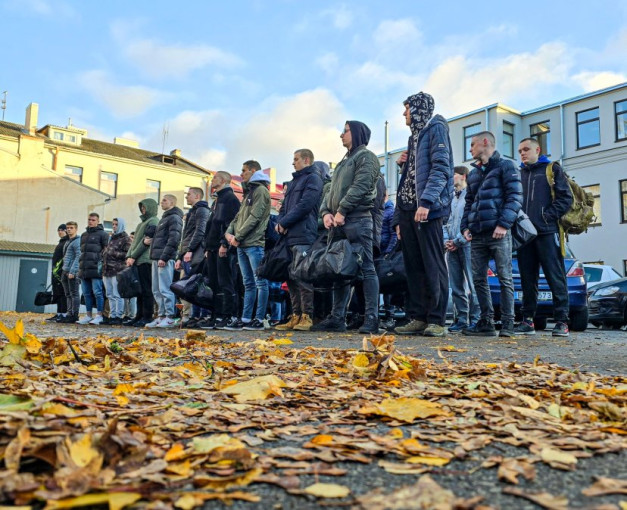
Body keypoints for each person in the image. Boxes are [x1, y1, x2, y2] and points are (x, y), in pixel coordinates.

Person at [393, 92, 454, 337]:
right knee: (414, 266)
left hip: (427, 209)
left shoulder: (436, 129)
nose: (404, 113)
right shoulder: (414, 137)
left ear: (418, 108)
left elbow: (441, 168)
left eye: (407, 108)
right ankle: (418, 317)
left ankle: (437, 320)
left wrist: (427, 202)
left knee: (433, 264)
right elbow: (410, 179)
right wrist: (399, 217)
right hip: (409, 210)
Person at [311, 120, 381, 333]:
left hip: (357, 219)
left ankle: (371, 318)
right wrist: (325, 213)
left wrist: (341, 210)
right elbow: (330, 191)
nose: (341, 135)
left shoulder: (366, 157)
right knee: (339, 270)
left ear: (357, 133)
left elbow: (362, 185)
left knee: (367, 267)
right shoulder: (343, 162)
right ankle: (337, 317)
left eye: (346, 131)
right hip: (338, 222)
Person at [460, 131, 522, 337]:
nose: (470, 149)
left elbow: (515, 197)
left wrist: (504, 224)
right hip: (477, 234)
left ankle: (508, 324)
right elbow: (469, 202)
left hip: (499, 234)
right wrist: (465, 227)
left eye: (472, 145)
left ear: (485, 143)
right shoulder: (475, 173)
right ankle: (486, 322)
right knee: (478, 279)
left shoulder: (506, 166)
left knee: (505, 278)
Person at [515, 138, 573, 337]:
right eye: (520, 151)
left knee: (555, 276)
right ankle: (527, 321)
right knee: (527, 279)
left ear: (537, 150)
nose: (522, 153)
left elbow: (566, 198)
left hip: (547, 233)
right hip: (525, 235)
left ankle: (562, 322)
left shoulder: (551, 169)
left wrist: (546, 216)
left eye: (526, 149)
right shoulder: (519, 174)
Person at [275, 149, 323, 331]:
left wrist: (284, 222)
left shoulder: (313, 178)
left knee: (303, 275)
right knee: (292, 276)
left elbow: (306, 205)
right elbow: (284, 206)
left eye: (295, 159)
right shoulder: (294, 181)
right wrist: (281, 222)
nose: (292, 163)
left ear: (306, 160)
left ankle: (307, 316)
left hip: (303, 233)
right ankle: (295, 315)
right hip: (289, 234)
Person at [225, 160, 271, 331]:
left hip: (253, 243)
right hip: (242, 244)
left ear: (253, 171)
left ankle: (259, 318)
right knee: (248, 283)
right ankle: (245, 319)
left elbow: (255, 216)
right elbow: (238, 217)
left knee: (260, 282)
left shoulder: (260, 191)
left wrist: (238, 235)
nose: (242, 173)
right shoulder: (249, 192)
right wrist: (229, 233)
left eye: (244, 170)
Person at [444, 166, 480, 332]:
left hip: (467, 246)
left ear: (463, 176)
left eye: (454, 175)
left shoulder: (470, 196)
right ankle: (461, 319)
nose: (451, 179)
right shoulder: (451, 198)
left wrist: (458, 241)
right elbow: (445, 221)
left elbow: (472, 222)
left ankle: (476, 319)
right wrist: (446, 240)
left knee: (473, 285)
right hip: (452, 247)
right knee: (456, 285)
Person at [204, 172, 241, 330]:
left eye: (216, 177)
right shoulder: (217, 199)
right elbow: (212, 224)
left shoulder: (230, 199)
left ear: (225, 180)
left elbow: (230, 224)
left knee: (225, 282)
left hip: (222, 247)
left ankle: (228, 315)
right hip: (212, 248)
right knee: (213, 283)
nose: (212, 180)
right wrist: (207, 247)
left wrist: (224, 244)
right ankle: (216, 315)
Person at [146, 195, 184, 328]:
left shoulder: (174, 218)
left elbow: (174, 239)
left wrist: (165, 256)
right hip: (156, 257)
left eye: (164, 200)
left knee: (165, 288)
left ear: (172, 202)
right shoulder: (164, 218)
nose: (161, 202)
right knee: (156, 289)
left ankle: (169, 316)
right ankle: (161, 315)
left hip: (164, 258)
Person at [175, 187, 211, 328]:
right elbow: (186, 236)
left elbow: (200, 231)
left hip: (195, 254)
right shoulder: (192, 212)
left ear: (197, 196)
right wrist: (180, 256)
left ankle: (198, 315)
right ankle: (189, 316)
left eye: (188, 194)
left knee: (194, 285)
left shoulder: (202, 210)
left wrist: (190, 250)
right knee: (185, 287)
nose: (186, 197)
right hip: (187, 254)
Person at [126, 199, 159, 327]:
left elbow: (146, 241)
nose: (143, 210)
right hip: (137, 260)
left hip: (146, 260)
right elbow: (135, 242)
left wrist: (133, 256)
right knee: (139, 291)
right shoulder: (142, 223)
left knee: (146, 290)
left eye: (145, 207)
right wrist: (129, 256)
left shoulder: (153, 221)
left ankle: (147, 316)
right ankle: (139, 315)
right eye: (141, 208)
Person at [77, 212, 109, 325]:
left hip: (96, 268)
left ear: (98, 221)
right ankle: (88, 315)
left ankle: (99, 315)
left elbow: (106, 250)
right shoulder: (84, 235)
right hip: (84, 268)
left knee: (98, 292)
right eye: (89, 219)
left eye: (93, 220)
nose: (91, 221)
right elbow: (81, 252)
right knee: (86, 293)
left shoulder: (103, 234)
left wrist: (99, 261)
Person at [101, 218, 131, 325]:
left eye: (116, 224)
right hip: (107, 269)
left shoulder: (126, 239)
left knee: (117, 294)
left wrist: (114, 253)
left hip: (118, 270)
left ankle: (118, 315)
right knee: (109, 294)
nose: (114, 226)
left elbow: (128, 254)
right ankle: (112, 315)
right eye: (113, 224)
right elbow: (106, 252)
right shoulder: (111, 238)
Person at [58, 221, 81, 323]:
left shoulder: (77, 241)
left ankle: (74, 315)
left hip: (72, 272)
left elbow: (78, 257)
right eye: (67, 228)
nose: (69, 229)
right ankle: (69, 313)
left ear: (76, 229)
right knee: (67, 294)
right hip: (65, 271)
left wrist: (73, 271)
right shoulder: (68, 241)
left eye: (71, 228)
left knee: (74, 293)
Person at [47, 224, 69, 322]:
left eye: (62, 230)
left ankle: (64, 314)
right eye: (58, 230)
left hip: (62, 272)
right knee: (57, 293)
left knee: (63, 294)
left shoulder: (67, 243)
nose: (60, 232)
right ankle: (59, 313)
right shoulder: (61, 242)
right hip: (55, 272)